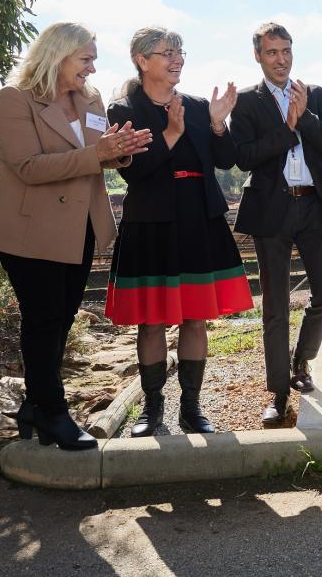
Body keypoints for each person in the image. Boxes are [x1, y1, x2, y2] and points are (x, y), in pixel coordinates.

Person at [0, 22, 152, 450]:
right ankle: (53, 413)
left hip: (80, 227)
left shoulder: (91, 99)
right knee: (43, 319)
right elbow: (27, 166)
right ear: (57, 56)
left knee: (60, 319)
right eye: (86, 59)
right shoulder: (13, 99)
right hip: (30, 230)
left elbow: (97, 158)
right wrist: (96, 154)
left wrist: (120, 152)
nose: (93, 69)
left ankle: (33, 405)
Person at [105, 26, 254, 437]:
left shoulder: (197, 105)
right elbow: (135, 174)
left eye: (180, 51)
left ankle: (192, 408)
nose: (177, 59)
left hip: (198, 219)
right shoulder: (123, 110)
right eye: (167, 52)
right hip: (150, 222)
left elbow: (226, 161)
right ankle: (151, 411)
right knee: (151, 322)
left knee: (195, 319)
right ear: (142, 60)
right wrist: (171, 133)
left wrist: (219, 124)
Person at [230, 22, 322, 425]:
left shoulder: (317, 95)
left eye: (287, 51)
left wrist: (305, 116)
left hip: (314, 207)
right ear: (258, 56)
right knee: (275, 305)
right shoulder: (245, 103)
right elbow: (244, 156)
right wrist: (287, 129)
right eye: (272, 52)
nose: (281, 59)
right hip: (271, 212)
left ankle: (301, 362)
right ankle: (278, 393)